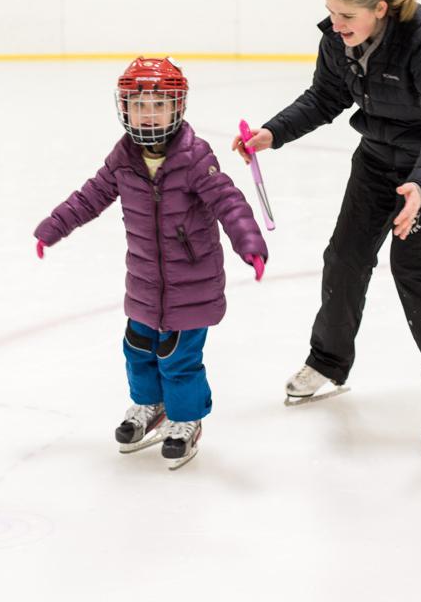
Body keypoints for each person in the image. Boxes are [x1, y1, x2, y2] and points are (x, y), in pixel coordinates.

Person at [233, 0, 421, 452]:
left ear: (382, 8)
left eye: (347, 15)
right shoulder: (337, 38)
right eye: (331, 11)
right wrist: (273, 132)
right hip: (378, 156)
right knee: (345, 257)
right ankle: (327, 361)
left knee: (416, 271)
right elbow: (325, 97)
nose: (336, 24)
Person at [34, 56, 267, 468]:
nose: (148, 115)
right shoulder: (124, 157)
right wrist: (52, 227)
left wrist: (249, 243)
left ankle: (185, 419)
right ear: (123, 108)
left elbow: (227, 200)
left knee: (179, 357)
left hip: (192, 283)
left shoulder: (194, 156)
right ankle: (149, 405)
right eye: (139, 106)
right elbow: (90, 197)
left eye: (158, 105)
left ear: (177, 107)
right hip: (144, 281)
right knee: (137, 348)